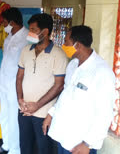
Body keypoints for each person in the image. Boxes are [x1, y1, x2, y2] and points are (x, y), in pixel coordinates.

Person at [43, 26, 116, 154]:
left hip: (80, 142)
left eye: (66, 42)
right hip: (63, 136)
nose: (64, 45)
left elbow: (105, 113)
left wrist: (88, 143)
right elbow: (65, 94)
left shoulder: (102, 72)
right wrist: (51, 114)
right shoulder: (73, 65)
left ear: (78, 45)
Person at [16, 13, 68, 154]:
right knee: (25, 148)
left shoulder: (58, 54)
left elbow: (59, 85)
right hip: (24, 110)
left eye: (33, 30)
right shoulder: (26, 50)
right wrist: (20, 100)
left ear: (45, 32)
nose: (30, 33)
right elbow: (19, 77)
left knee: (44, 149)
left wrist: (37, 105)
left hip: (44, 114)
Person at [0, 8, 29, 154]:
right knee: (4, 115)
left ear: (12, 23)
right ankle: (6, 144)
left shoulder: (27, 37)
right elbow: (5, 60)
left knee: (14, 117)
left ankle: (15, 149)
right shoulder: (8, 37)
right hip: (5, 82)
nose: (3, 25)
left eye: (4, 22)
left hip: (18, 84)